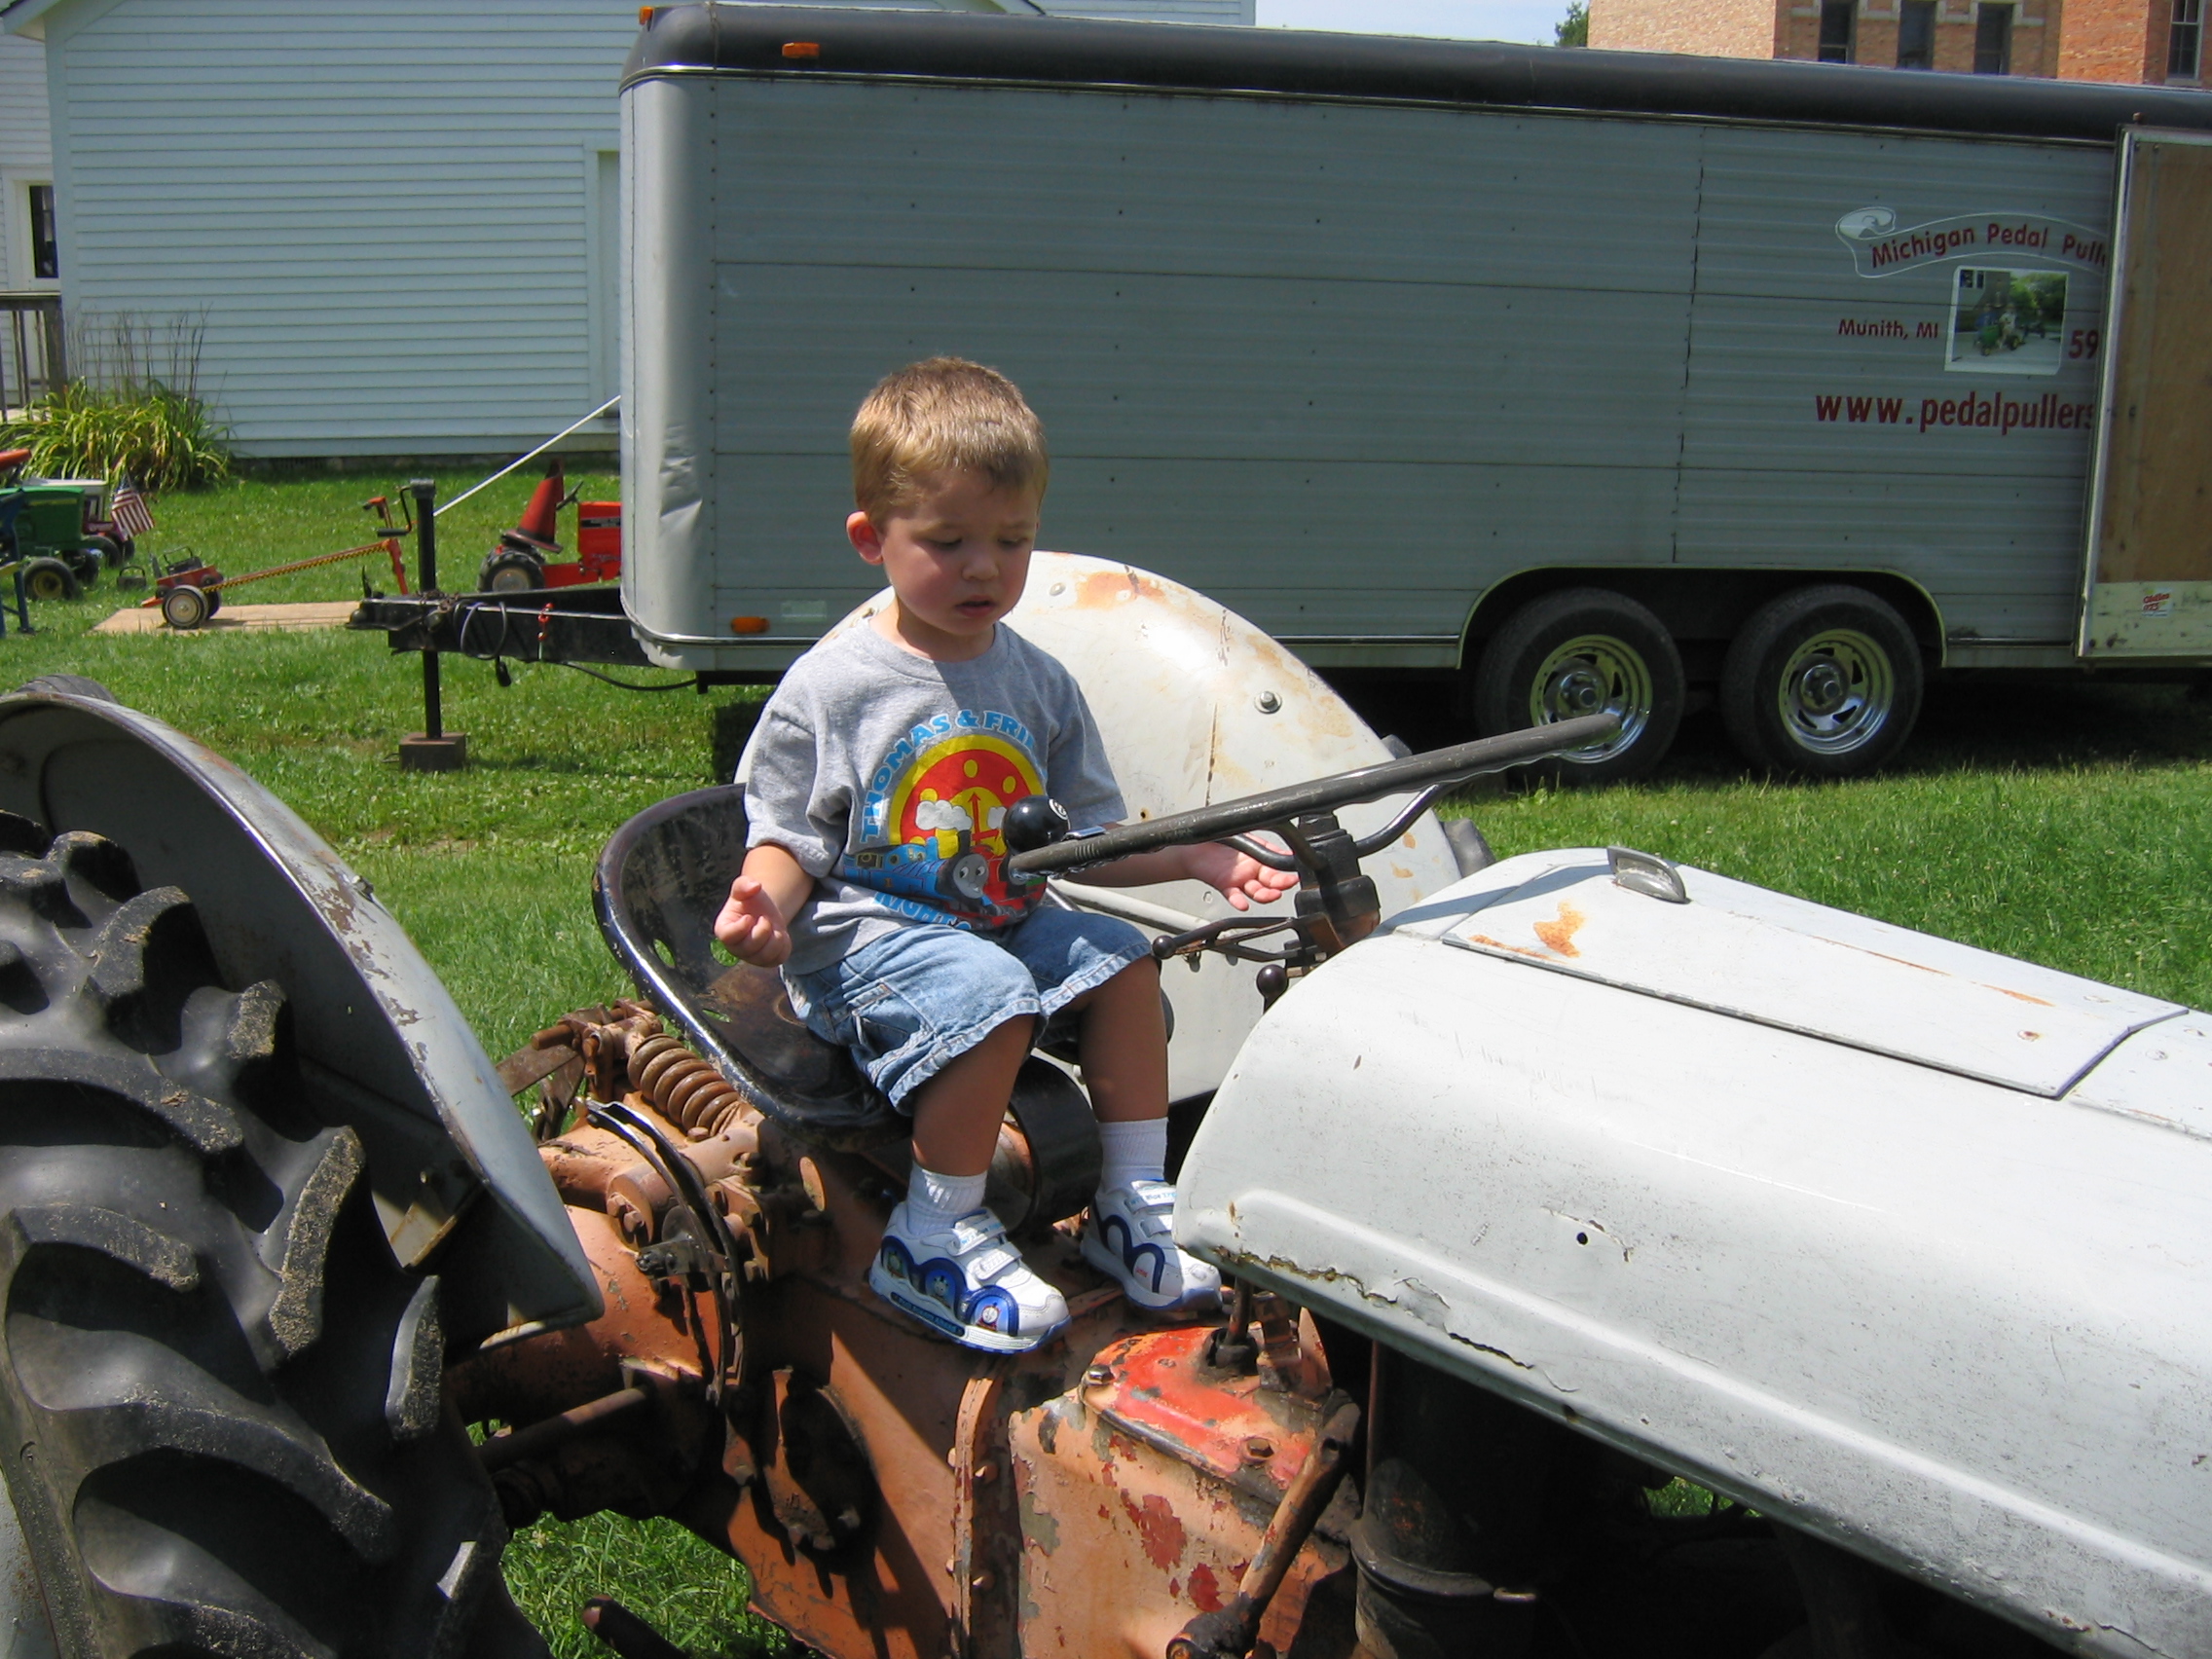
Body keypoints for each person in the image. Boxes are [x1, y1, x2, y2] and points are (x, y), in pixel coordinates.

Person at [713, 358, 1298, 1352]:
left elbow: (1080, 848)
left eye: (1012, 540)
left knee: (1122, 961)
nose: (984, 567)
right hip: (867, 942)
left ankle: (1130, 1201)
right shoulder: (834, 687)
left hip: (1000, 921)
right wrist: (766, 900)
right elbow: (789, 836)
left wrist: (1196, 856)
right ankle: (932, 1233)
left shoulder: (1040, 684)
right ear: (872, 539)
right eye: (948, 542)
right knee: (992, 990)